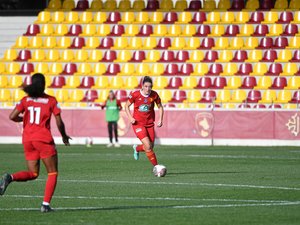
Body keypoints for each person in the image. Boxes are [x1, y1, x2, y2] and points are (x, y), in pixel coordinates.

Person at [0, 73, 71, 213]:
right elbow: (58, 121)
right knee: (52, 172)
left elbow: (12, 116)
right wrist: (64, 135)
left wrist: (24, 120)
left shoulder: (25, 100)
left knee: (33, 173)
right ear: (44, 84)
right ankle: (45, 205)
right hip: (43, 139)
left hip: (28, 139)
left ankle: (10, 177)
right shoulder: (51, 100)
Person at [124, 76, 164, 169]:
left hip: (150, 124)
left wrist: (161, 119)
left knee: (150, 147)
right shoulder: (135, 94)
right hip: (138, 123)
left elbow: (160, 107)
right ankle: (157, 167)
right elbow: (126, 106)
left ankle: (137, 148)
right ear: (142, 86)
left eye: (149, 86)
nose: (147, 89)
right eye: (146, 86)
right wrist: (130, 118)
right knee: (148, 145)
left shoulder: (154, 95)